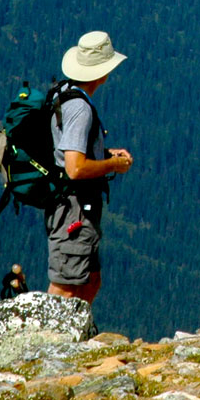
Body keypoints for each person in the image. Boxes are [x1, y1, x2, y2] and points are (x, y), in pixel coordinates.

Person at [45, 30, 133, 304]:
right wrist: (112, 165)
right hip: (73, 209)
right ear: (101, 72)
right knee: (66, 286)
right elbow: (75, 168)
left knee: (90, 280)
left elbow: (68, 150)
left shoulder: (64, 93)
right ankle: (47, 342)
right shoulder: (81, 109)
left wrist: (105, 152)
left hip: (79, 207)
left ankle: (76, 338)